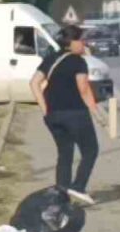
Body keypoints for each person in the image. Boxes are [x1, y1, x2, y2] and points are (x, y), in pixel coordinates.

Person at [28, 24, 107, 206]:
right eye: (80, 39)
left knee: (64, 153)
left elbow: (34, 83)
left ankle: (61, 196)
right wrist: (96, 112)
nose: (83, 43)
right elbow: (84, 88)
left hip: (53, 115)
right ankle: (78, 186)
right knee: (90, 150)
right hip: (75, 113)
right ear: (70, 42)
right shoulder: (78, 62)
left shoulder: (51, 58)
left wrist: (44, 108)